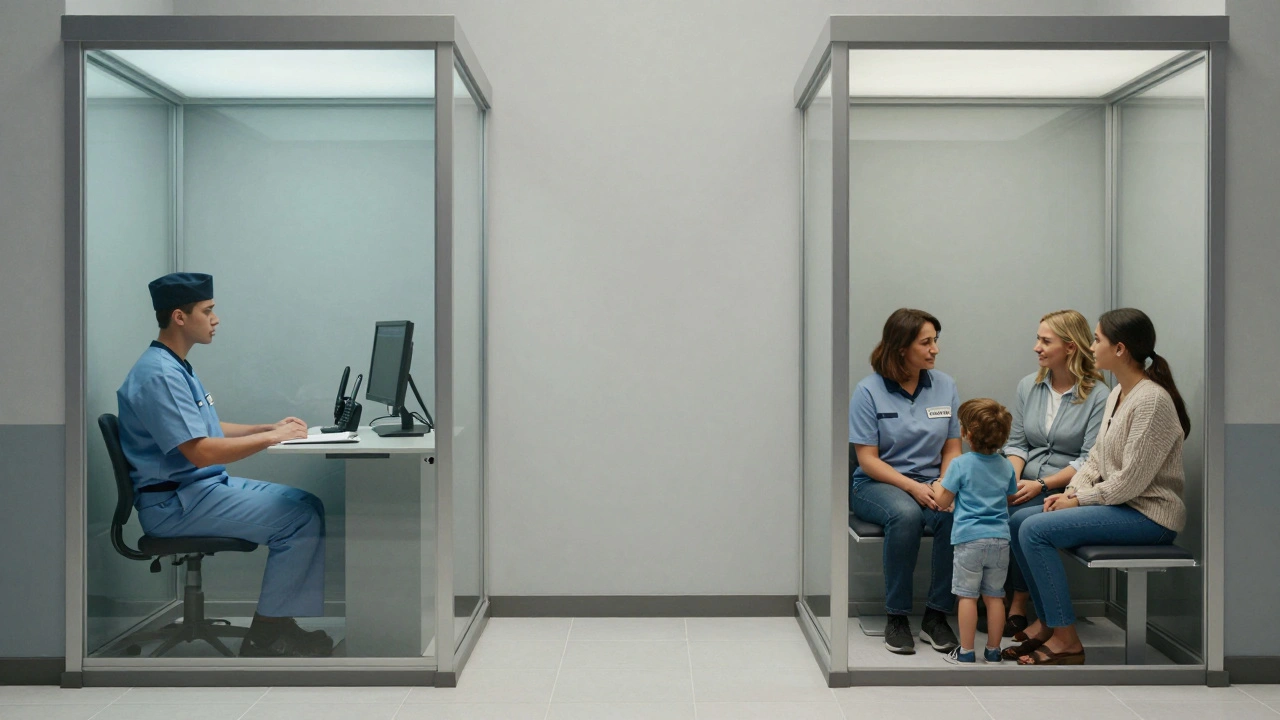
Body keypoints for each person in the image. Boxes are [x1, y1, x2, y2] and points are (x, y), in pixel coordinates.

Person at [116, 272, 333, 658]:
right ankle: (265, 639)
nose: (216, 319)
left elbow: (204, 429)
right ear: (180, 317)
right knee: (299, 519)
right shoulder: (160, 375)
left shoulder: (173, 365)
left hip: (197, 490)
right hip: (176, 505)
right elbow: (199, 452)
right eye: (208, 311)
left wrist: (263, 427)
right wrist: (272, 438)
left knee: (308, 504)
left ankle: (279, 622)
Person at [1006, 308, 1190, 665]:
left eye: (1096, 339)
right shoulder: (1118, 393)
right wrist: (1070, 492)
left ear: (1119, 349)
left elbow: (1130, 483)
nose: (1091, 347)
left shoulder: (1150, 399)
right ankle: (1048, 622)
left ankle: (1066, 640)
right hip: (1122, 506)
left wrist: (1077, 501)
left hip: (1150, 516)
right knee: (1018, 522)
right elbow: (1095, 460)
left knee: (1034, 531)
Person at [849, 308, 962, 655]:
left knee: (951, 514)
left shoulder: (945, 385)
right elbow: (867, 459)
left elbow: (953, 447)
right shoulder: (868, 391)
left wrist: (945, 484)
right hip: (875, 485)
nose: (935, 349)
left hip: (931, 482)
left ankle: (935, 616)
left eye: (935, 341)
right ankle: (896, 616)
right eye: (926, 342)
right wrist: (912, 487)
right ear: (901, 348)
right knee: (907, 516)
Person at [996, 310, 1107, 639]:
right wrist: (1012, 481)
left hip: (1068, 487)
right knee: (998, 507)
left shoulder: (1099, 396)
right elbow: (1016, 443)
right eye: (1038, 339)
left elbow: (1090, 459)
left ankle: (1018, 602)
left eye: (1045, 341)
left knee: (1019, 516)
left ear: (1070, 347)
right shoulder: (1028, 387)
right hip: (1026, 479)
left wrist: (1041, 484)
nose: (1036, 347)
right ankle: (992, 598)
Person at [933, 399, 1019, 664]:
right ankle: (993, 652)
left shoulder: (959, 464)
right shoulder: (1006, 466)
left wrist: (938, 484)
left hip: (969, 540)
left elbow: (942, 501)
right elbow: (1009, 497)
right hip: (1000, 541)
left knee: (967, 597)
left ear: (966, 434)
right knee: (995, 597)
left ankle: (966, 652)